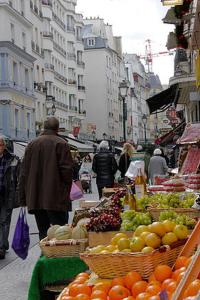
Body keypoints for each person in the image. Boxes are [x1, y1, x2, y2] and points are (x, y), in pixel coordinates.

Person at [18, 117, 73, 240]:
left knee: (43, 233)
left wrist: (23, 198)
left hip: (36, 197)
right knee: (61, 233)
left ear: (44, 127)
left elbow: (23, 173)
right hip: (56, 197)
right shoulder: (61, 143)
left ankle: (45, 255)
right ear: (57, 128)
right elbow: (67, 171)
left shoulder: (31, 144)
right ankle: (58, 257)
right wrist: (66, 192)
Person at [0, 136, 20, 259]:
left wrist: (18, 195)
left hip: (7, 195)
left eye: (1, 145)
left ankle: (1, 247)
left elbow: (19, 178)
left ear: (4, 146)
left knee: (4, 221)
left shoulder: (13, 159)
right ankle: (3, 244)